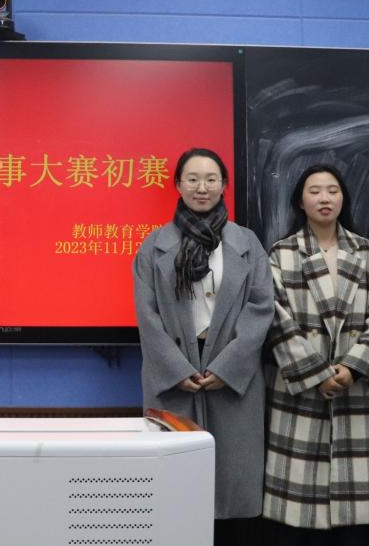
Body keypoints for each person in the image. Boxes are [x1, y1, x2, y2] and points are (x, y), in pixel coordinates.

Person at [133, 147, 274, 545]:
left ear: (224, 184)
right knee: (174, 492)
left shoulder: (246, 243)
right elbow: (147, 316)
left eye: (211, 179)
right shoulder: (155, 246)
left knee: (231, 489)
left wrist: (227, 367)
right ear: (178, 184)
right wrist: (177, 369)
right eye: (192, 179)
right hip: (174, 379)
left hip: (232, 380)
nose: (202, 187)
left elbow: (261, 308)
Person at [263, 164, 369, 545]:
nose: (324, 198)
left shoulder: (368, 253)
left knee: (356, 524)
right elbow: (276, 322)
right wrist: (318, 374)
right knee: (300, 522)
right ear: (300, 201)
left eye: (333, 190)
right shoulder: (282, 254)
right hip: (302, 393)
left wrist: (352, 369)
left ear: (343, 199)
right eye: (315, 191)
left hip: (356, 393)